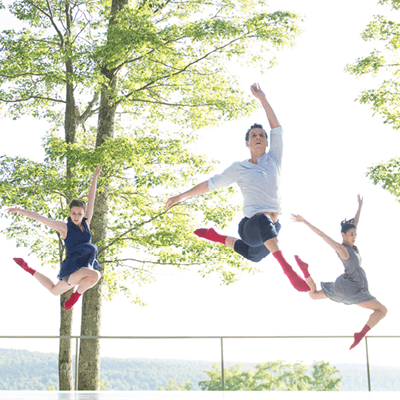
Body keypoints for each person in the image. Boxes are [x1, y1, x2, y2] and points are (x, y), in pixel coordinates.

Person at [166, 83, 310, 293]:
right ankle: (287, 269)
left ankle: (216, 236)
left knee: (255, 256)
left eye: (262, 135)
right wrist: (181, 196)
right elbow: (210, 184)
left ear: (268, 143)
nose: (259, 137)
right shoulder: (238, 168)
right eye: (254, 136)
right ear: (247, 143)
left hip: (273, 227)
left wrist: (263, 100)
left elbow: (277, 129)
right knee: (263, 220)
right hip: (251, 226)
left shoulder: (274, 159)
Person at [291, 195, 387, 349]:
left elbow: (353, 225)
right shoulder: (343, 250)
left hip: (344, 288)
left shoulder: (352, 247)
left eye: (355, 235)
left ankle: (306, 272)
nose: (354, 237)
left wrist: (359, 207)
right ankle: (360, 335)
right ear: (343, 235)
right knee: (382, 310)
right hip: (352, 288)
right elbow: (322, 235)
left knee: (313, 295)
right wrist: (305, 221)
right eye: (351, 235)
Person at [7, 164, 103, 311]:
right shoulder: (63, 227)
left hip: (83, 269)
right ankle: (76, 296)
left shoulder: (86, 222)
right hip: (73, 269)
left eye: (79, 213)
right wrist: (20, 210)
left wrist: (95, 177)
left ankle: (29, 269)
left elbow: (91, 198)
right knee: (96, 276)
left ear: (83, 213)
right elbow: (40, 217)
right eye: (73, 213)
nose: (76, 217)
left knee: (54, 290)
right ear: (69, 212)